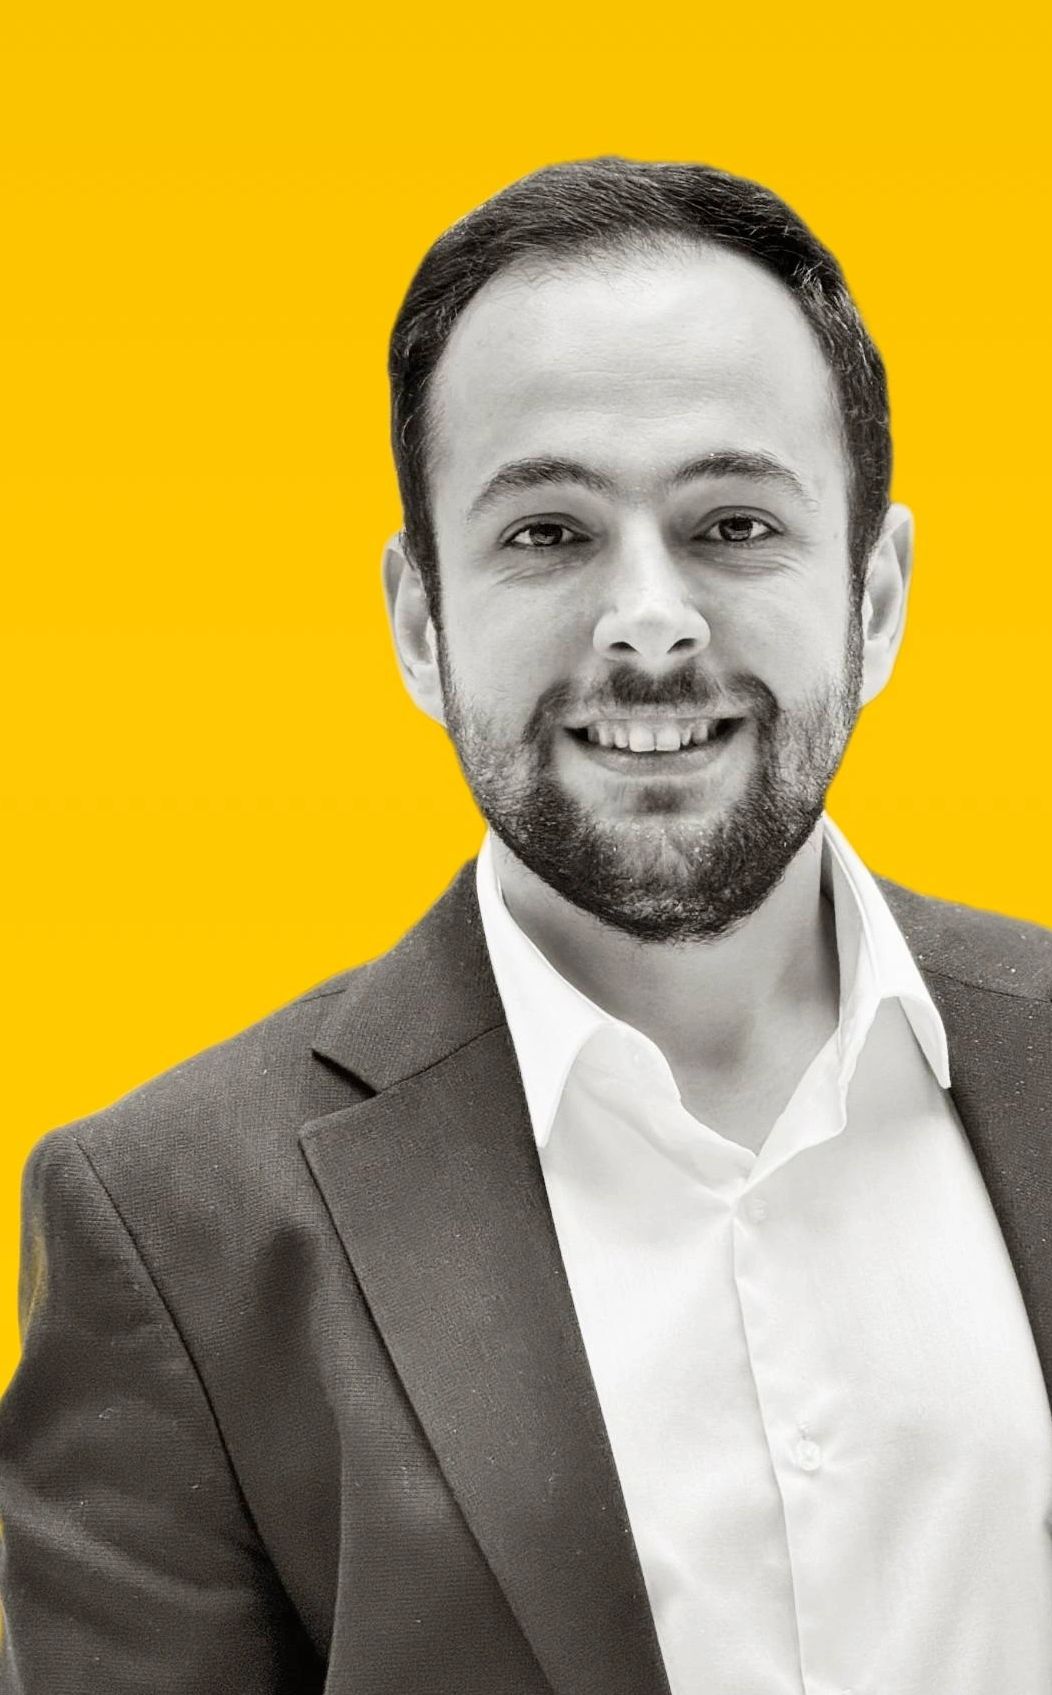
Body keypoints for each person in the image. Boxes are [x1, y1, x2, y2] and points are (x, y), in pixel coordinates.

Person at [1, 156, 1050, 1695]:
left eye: (735, 522)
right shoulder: (171, 1229)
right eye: (548, 534)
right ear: (420, 623)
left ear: (876, 597)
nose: (651, 620)